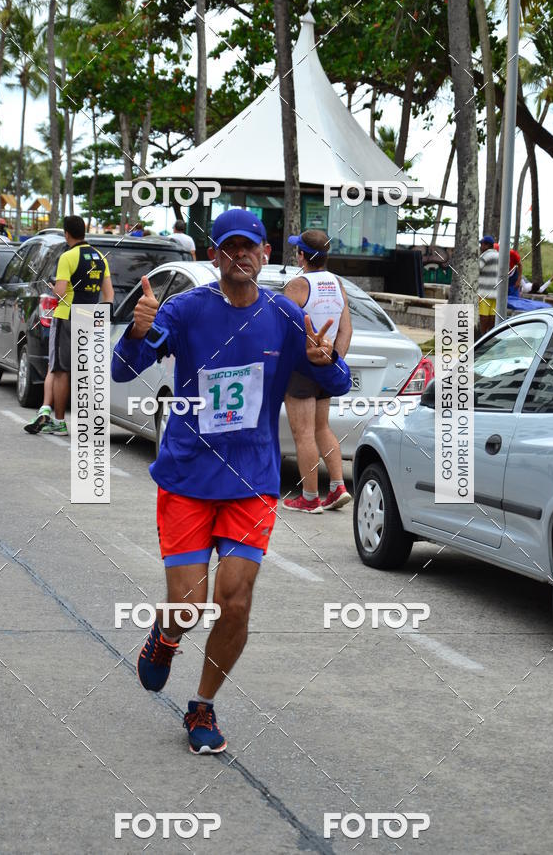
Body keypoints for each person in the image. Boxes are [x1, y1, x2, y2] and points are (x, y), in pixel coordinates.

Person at [111, 208, 351, 754]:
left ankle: (203, 706)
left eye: (250, 247)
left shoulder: (284, 315)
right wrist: (138, 329)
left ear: (266, 254)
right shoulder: (186, 309)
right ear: (215, 256)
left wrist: (326, 360)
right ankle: (168, 633)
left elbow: (335, 377)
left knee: (236, 601)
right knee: (191, 604)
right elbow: (124, 369)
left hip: (253, 480)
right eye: (229, 247)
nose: (240, 255)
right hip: (188, 475)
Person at [281, 229, 353, 513]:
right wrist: (334, 361)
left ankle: (310, 497)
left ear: (301, 255)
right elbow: (346, 328)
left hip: (300, 368)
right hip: (327, 365)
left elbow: (282, 330)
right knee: (322, 426)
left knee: (303, 434)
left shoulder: (297, 285)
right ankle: (337, 487)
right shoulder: (337, 284)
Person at [45, 216, 114, 436]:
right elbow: (109, 294)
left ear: (66, 234)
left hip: (67, 315)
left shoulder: (67, 256)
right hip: (90, 316)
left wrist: (52, 286)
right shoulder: (100, 257)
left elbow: (61, 291)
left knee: (61, 370)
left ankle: (59, 422)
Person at [478, 234, 499, 335]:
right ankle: (490, 335)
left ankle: (482, 336)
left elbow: (476, 270)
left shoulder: (485, 256)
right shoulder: (500, 256)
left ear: (486, 245)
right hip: (496, 292)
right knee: (492, 316)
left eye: (481, 244)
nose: (481, 247)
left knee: (483, 315)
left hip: (484, 292)